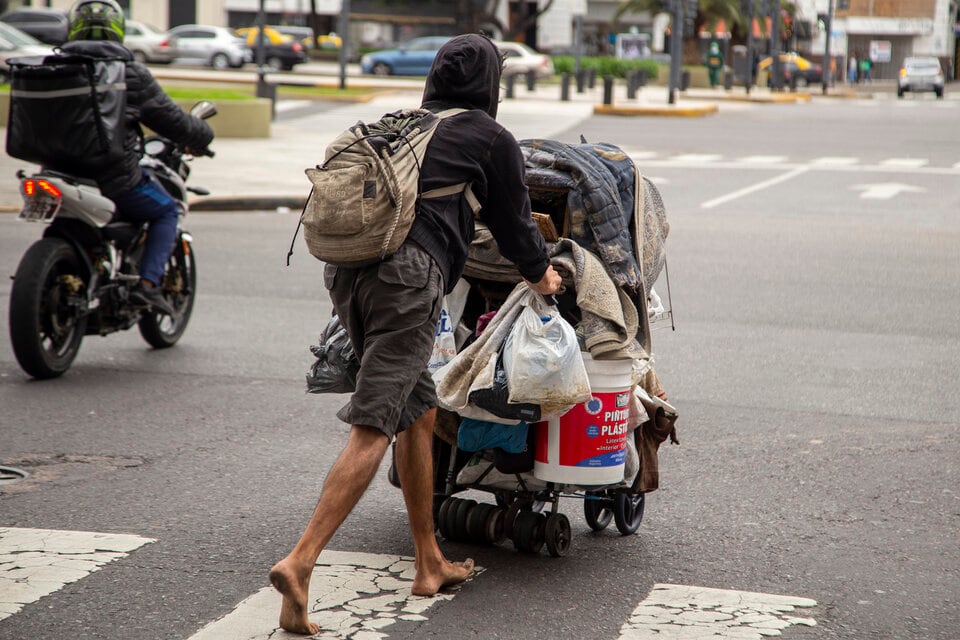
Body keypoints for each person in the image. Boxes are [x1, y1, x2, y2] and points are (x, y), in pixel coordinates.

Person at [268, 33, 562, 635]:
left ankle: (429, 562)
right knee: (376, 420)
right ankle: (300, 562)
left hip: (348, 273)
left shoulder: (405, 124)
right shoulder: (488, 135)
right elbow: (512, 224)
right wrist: (543, 275)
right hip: (408, 278)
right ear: (491, 84)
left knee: (418, 411)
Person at [58, 0, 214, 315]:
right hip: (113, 179)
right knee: (167, 211)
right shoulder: (127, 72)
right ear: (118, 31)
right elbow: (173, 121)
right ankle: (147, 286)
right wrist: (203, 135)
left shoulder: (54, 66)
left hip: (57, 173)